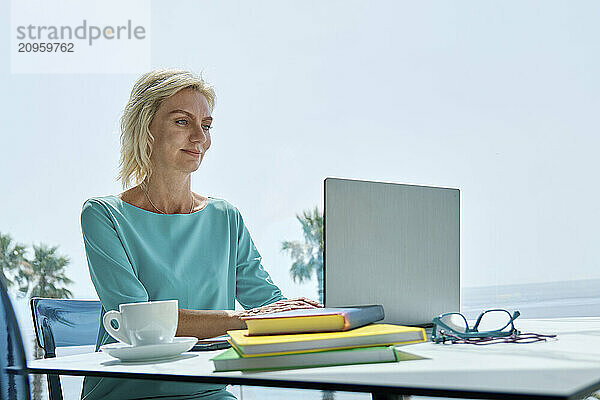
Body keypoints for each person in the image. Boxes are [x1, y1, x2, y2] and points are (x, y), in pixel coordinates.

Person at [80, 68, 322, 400]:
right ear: (145, 128)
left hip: (208, 392)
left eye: (206, 126)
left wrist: (309, 314)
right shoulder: (103, 215)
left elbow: (266, 302)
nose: (200, 138)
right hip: (129, 393)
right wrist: (244, 320)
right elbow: (140, 321)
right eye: (182, 122)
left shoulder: (226, 218)